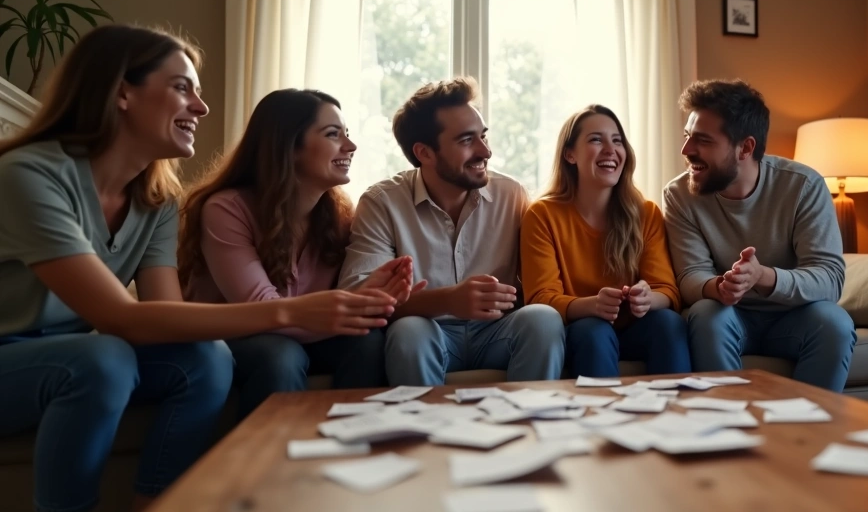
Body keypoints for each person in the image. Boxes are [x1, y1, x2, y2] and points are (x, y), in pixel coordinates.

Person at [0, 25, 401, 512]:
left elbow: (166, 317)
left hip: (71, 354)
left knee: (208, 358)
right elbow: (121, 318)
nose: (202, 106)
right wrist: (291, 313)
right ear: (122, 93)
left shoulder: (156, 199)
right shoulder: (28, 173)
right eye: (182, 87)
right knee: (103, 359)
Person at [179, 89, 425, 420]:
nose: (350, 146)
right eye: (333, 134)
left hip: (300, 335)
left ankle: (352, 442)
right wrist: (352, 305)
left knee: (366, 339)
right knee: (280, 354)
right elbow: (261, 311)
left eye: (347, 133)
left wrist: (368, 298)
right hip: (233, 338)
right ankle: (271, 452)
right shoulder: (226, 209)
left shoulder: (339, 216)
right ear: (289, 147)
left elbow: (334, 308)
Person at [338, 77, 565, 386]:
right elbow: (359, 298)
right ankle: (421, 418)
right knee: (409, 331)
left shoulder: (512, 195)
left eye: (483, 136)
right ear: (425, 153)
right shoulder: (382, 202)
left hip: (499, 332)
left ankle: (530, 416)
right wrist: (447, 300)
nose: (485, 151)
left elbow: (541, 281)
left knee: (543, 319)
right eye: (467, 140)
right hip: (429, 332)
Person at [661, 79, 857, 390]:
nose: (686, 150)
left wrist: (763, 276)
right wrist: (718, 287)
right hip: (728, 315)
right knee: (706, 314)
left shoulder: (803, 186)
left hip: (796, 316)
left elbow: (829, 279)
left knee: (835, 323)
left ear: (745, 147)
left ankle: (808, 421)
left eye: (703, 140)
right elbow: (689, 275)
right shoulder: (679, 195)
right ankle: (727, 417)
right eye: (687, 137)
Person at [520, 105, 689, 377]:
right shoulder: (542, 215)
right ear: (570, 154)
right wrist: (592, 305)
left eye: (617, 141)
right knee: (594, 330)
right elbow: (541, 298)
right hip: (581, 330)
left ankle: (678, 405)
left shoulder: (646, 213)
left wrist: (647, 298)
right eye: (596, 140)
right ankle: (600, 406)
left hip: (637, 329)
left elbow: (667, 291)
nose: (611, 150)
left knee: (669, 323)